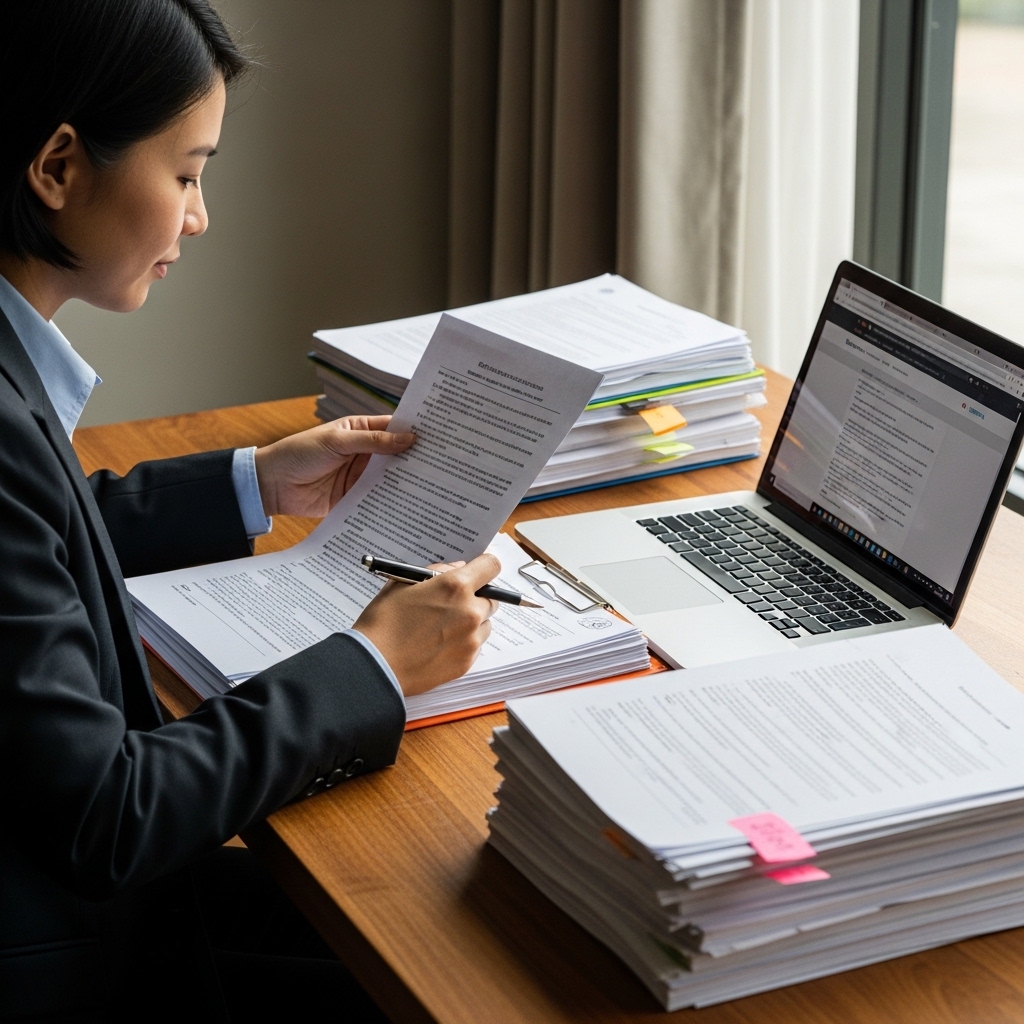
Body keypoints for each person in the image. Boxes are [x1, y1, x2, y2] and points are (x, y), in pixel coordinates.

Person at [0, 2, 501, 1021]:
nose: (198, 218)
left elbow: (40, 538)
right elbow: (110, 815)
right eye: (187, 174)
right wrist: (375, 663)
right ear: (57, 167)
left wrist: (256, 482)